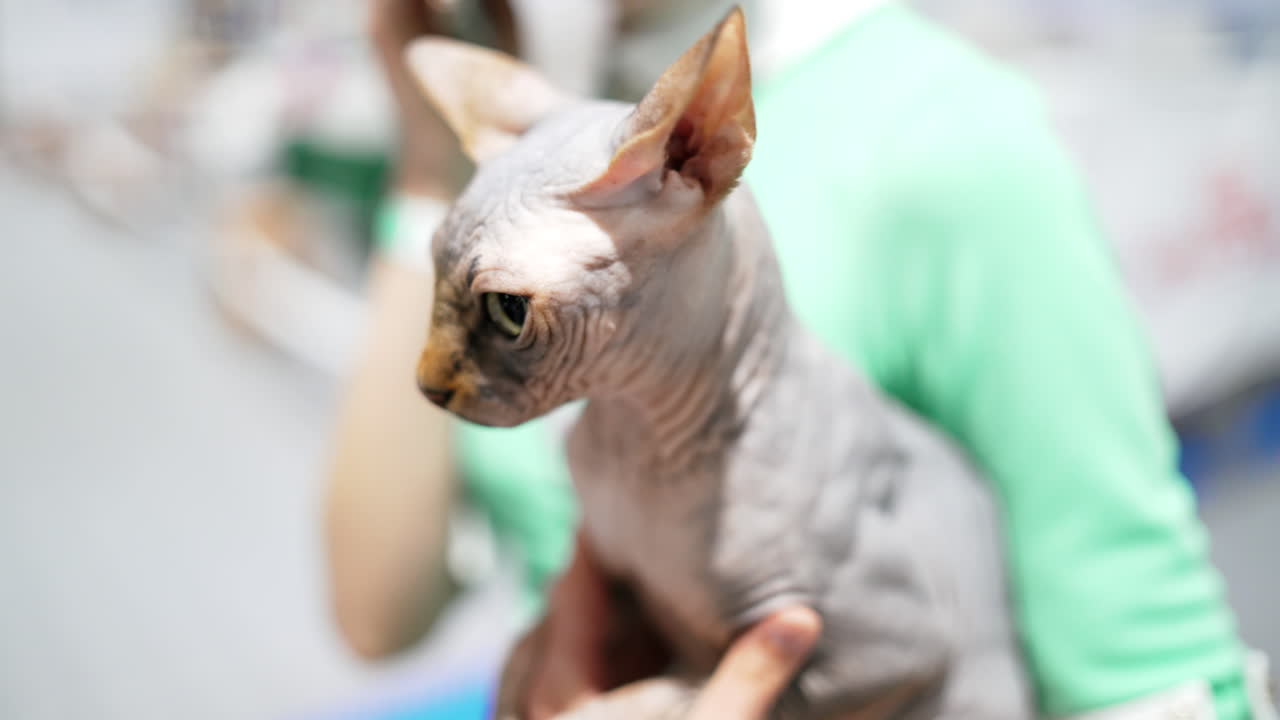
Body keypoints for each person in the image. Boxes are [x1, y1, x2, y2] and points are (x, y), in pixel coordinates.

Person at [326, 1, 1272, 718]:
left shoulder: (939, 138)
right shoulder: (543, 116)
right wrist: (425, 167)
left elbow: (1160, 681)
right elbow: (373, 616)